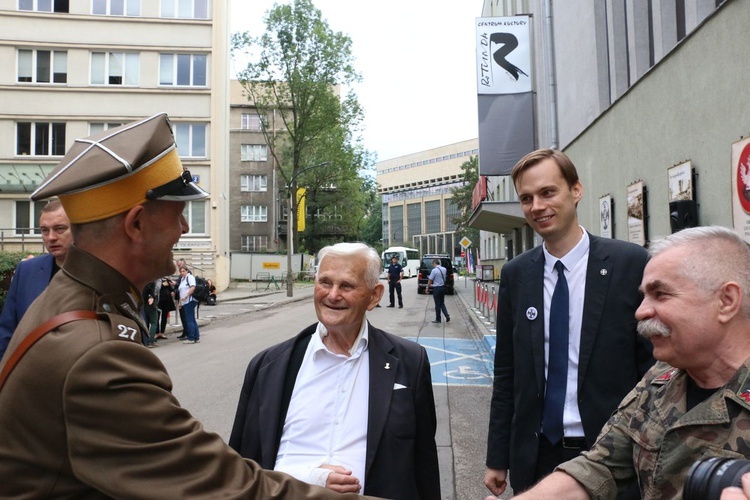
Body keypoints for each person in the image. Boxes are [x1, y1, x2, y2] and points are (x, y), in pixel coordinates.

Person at [0, 113, 372, 499]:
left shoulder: (73, 295)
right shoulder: (97, 351)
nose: (185, 229)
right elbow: (224, 486)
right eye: (178, 214)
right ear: (136, 224)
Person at [499, 226, 750, 499]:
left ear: (726, 301)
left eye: (661, 294)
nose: (641, 311)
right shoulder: (661, 380)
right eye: (644, 296)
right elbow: (599, 467)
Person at [484, 148, 654, 496]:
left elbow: (654, 372)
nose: (537, 207)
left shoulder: (630, 264)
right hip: (535, 456)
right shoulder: (516, 275)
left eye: (548, 192)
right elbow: (507, 373)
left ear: (576, 190)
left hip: (611, 455)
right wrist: (497, 456)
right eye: (527, 198)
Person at [229, 242, 440, 499]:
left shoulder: (410, 362)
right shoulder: (268, 366)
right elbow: (240, 468)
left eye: (347, 286)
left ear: (374, 296)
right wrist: (310, 479)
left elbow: (424, 464)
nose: (332, 295)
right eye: (325, 282)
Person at [0, 200, 73, 360]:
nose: (51, 237)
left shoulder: (100, 272)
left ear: (77, 229)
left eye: (60, 229)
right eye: (44, 231)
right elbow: (6, 331)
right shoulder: (26, 271)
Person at [178, 265, 200, 344]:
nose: (182, 273)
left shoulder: (189, 277)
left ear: (187, 271)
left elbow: (192, 287)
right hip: (185, 301)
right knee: (192, 319)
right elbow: (181, 291)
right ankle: (196, 337)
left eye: (183, 271)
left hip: (190, 301)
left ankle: (191, 338)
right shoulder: (182, 279)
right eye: (181, 271)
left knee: (189, 320)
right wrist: (180, 302)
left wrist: (186, 295)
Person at [426, 258, 450, 324]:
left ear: (434, 263)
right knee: (442, 303)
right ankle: (447, 315)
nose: (433, 266)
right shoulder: (444, 269)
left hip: (437, 288)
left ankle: (438, 319)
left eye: (433, 264)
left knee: (437, 304)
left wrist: (427, 288)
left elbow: (430, 280)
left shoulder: (434, 270)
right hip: (443, 287)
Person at [142, 279, 160, 347]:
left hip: (144, 303)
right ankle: (151, 341)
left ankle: (145, 340)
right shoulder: (153, 281)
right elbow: (154, 290)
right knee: (154, 322)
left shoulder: (144, 281)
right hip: (151, 303)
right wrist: (151, 297)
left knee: (146, 322)